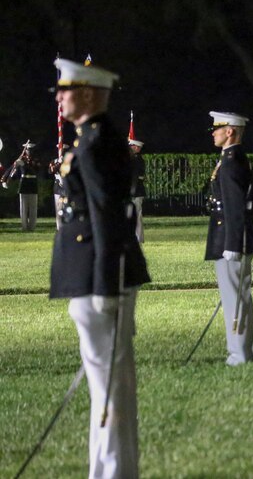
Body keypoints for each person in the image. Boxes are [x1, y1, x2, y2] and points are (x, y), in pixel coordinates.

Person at [51, 57, 150, 478]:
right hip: (95, 278)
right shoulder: (94, 139)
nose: (59, 98)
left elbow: (106, 219)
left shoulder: (96, 144)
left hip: (99, 280)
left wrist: (106, 289)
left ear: (89, 94)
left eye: (66, 90)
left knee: (108, 393)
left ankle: (110, 473)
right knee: (110, 389)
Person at [205, 111, 253, 366]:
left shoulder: (231, 161)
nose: (213, 133)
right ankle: (239, 349)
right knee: (236, 295)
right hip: (229, 237)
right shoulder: (231, 159)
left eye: (218, 129)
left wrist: (232, 245)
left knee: (235, 297)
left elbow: (236, 207)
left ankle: (239, 352)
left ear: (230, 132)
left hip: (231, 240)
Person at [4, 140, 40, 230]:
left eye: (30, 150)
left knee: (33, 207)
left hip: (32, 184)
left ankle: (32, 227)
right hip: (24, 184)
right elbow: (13, 169)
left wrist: (25, 165)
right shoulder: (21, 159)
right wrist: (6, 178)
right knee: (23, 207)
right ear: (26, 150)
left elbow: (36, 169)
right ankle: (24, 226)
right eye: (28, 150)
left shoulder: (36, 159)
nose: (29, 151)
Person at [128, 139, 146, 243]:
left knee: (137, 216)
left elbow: (137, 177)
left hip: (136, 193)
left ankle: (138, 238)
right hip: (131, 193)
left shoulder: (138, 160)